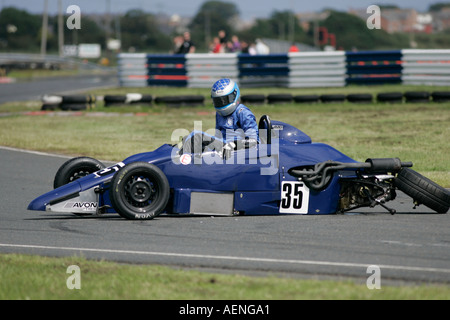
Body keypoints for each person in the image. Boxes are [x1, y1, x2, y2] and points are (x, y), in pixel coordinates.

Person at [180, 78, 259, 155]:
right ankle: (184, 156)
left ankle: (181, 160)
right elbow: (218, 136)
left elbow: (254, 141)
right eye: (218, 101)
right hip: (222, 148)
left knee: (197, 136)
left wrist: (234, 144)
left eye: (224, 100)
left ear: (234, 95)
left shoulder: (243, 112)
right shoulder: (219, 114)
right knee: (188, 139)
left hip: (235, 150)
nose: (222, 104)